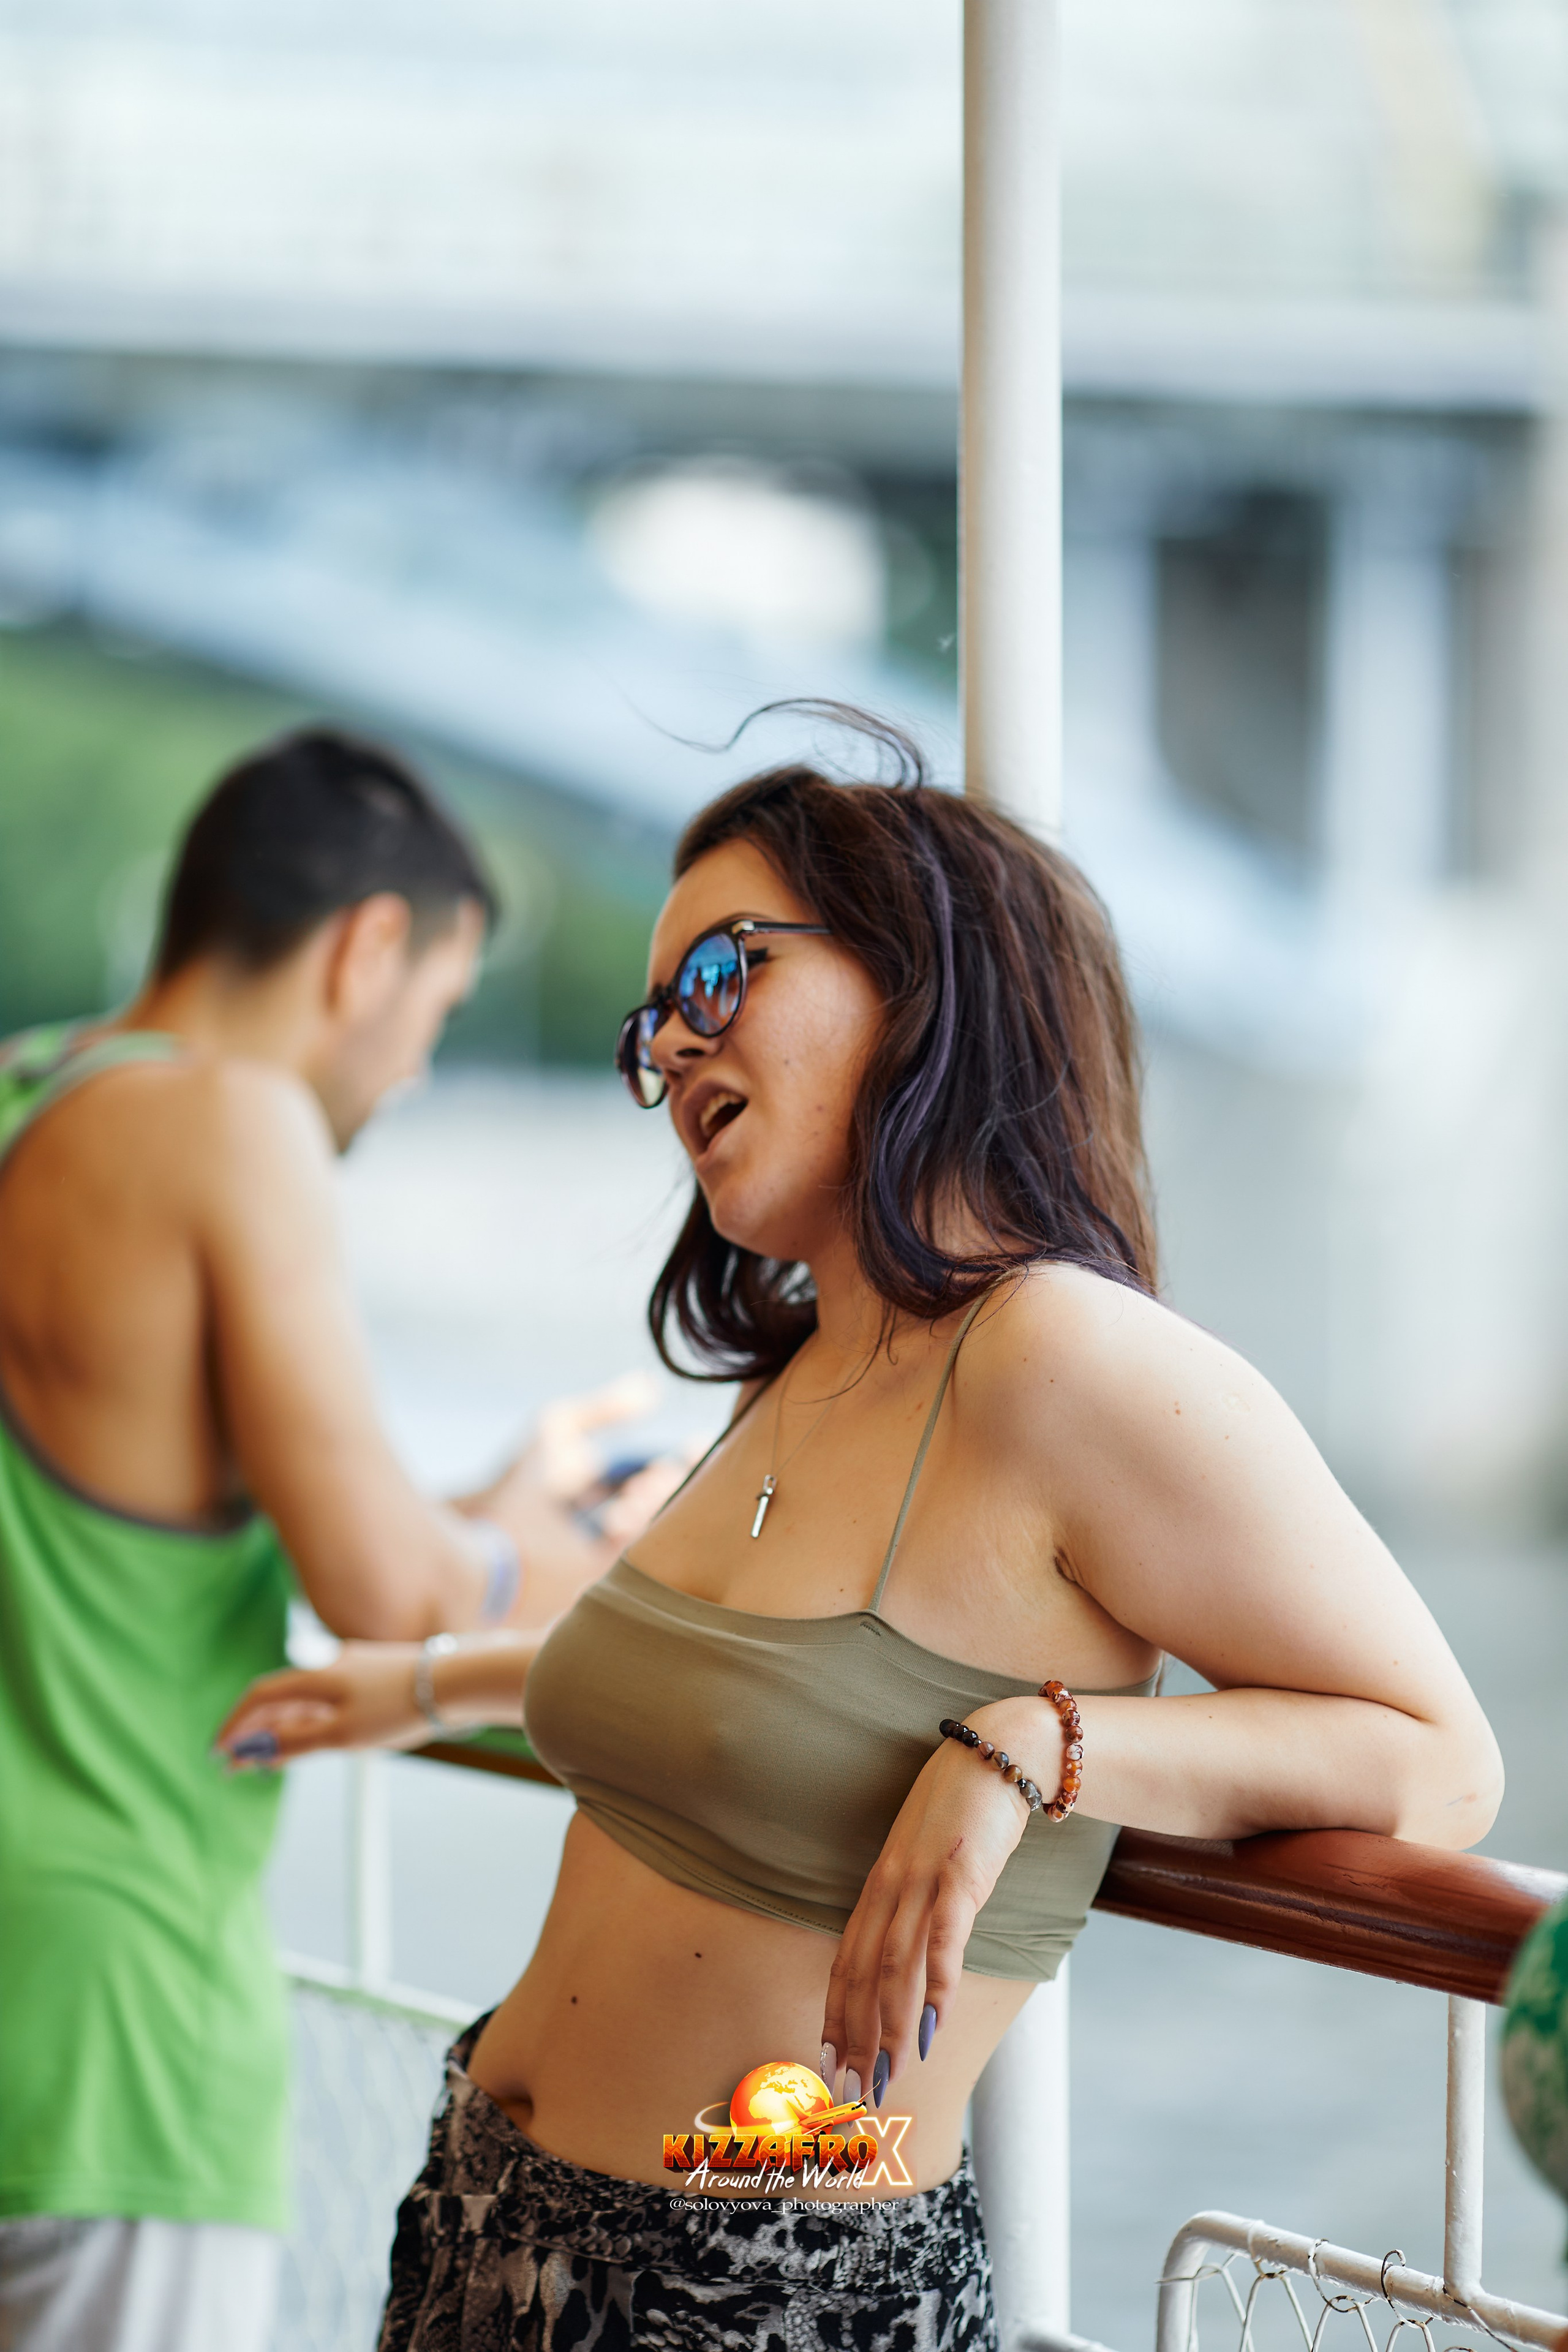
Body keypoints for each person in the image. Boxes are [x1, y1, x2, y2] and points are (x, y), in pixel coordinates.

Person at [222, 717, 1504, 2352]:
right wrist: (431, 1685)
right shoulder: (811, 1361)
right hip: (486, 2218)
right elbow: (756, 1694)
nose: (675, 1052)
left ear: (917, 975)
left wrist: (1025, 1753)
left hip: (756, 2301)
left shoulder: (1064, 1359)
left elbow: (1443, 1760)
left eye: (721, 978)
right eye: (653, 1025)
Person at [0, 727, 662, 2352]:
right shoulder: (232, 1125)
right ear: (370, 946)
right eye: (437, 1008)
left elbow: (148, 1503)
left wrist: (487, 1525)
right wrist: (632, 1574)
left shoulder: (32, 1091)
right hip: (109, 2030)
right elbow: (383, 1596)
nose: (421, 1066)